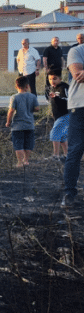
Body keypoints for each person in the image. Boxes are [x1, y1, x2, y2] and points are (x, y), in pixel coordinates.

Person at [62, 43, 84, 207]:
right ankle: (69, 193)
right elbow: (78, 75)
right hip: (80, 107)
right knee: (75, 151)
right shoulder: (76, 51)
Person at [6, 76, 40, 168]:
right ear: (27, 86)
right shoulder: (32, 96)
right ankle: (26, 160)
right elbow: (37, 108)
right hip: (29, 125)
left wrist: (8, 122)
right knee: (28, 144)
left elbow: (11, 111)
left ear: (16, 86)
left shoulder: (14, 97)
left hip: (17, 126)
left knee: (18, 145)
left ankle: (20, 162)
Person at [48, 73, 69, 161]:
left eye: (54, 78)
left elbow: (67, 100)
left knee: (55, 132)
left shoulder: (64, 87)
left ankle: (55, 155)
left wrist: (56, 98)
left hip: (65, 114)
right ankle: (67, 155)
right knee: (63, 136)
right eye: (50, 79)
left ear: (60, 78)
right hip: (58, 115)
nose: (52, 81)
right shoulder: (53, 87)